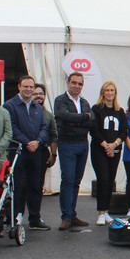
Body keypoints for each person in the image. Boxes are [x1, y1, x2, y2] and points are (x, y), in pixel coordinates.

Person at [3, 75, 50, 230]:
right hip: (18, 152)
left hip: (36, 152)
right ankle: (15, 217)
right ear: (19, 87)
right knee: (17, 186)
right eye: (26, 86)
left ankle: (35, 218)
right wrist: (27, 142)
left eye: (31, 87)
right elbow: (12, 128)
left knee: (35, 186)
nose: (29, 89)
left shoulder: (38, 107)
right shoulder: (9, 105)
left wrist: (38, 141)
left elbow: (45, 127)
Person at [54, 72, 94, 230]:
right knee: (68, 180)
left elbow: (92, 122)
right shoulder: (60, 100)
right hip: (67, 144)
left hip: (83, 144)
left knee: (76, 181)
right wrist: (84, 118)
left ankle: (72, 214)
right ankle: (66, 216)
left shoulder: (84, 102)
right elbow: (64, 117)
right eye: (74, 83)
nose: (77, 86)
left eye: (80, 84)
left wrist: (76, 121)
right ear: (68, 83)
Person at [89, 81, 127, 225]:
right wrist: (106, 146)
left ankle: (107, 211)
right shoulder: (97, 109)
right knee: (103, 179)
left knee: (110, 181)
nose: (110, 93)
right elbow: (94, 129)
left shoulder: (120, 111)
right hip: (100, 150)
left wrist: (114, 144)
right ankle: (101, 212)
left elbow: (124, 131)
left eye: (112, 90)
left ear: (115, 93)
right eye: (107, 90)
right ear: (103, 93)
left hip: (115, 150)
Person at [33, 83, 58, 192]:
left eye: (41, 94)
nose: (38, 96)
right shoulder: (25, 113)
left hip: (42, 152)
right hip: (27, 151)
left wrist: (53, 155)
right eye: (35, 94)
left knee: (38, 185)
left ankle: (36, 209)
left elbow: (53, 135)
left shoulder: (48, 115)